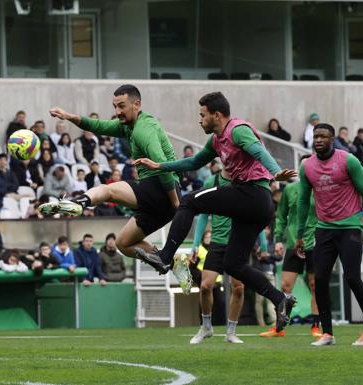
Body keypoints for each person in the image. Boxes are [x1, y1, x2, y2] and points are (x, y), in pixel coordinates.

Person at [133, 91, 297, 332]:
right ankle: (279, 300)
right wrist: (160, 165)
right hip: (256, 207)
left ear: (217, 115)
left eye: (202, 115)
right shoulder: (216, 140)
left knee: (188, 202)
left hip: (252, 195)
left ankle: (166, 256)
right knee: (233, 264)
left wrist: (275, 173)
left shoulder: (237, 130)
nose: (199, 120)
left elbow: (260, 153)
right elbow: (193, 163)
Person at [40, 85, 184, 286]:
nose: (117, 112)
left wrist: (176, 203)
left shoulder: (144, 129)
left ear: (137, 104)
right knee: (123, 244)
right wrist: (68, 116)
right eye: (115, 107)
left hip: (162, 187)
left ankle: (79, 202)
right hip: (162, 201)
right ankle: (169, 261)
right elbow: (97, 126)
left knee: (108, 190)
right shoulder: (128, 126)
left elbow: (161, 164)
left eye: (121, 106)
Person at [296, 123, 363, 346]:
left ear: (333, 139)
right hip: (323, 229)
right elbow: (303, 202)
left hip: (350, 227)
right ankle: (328, 333)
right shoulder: (307, 166)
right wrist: (300, 234)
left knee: (352, 277)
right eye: (316, 136)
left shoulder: (348, 160)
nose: (319, 139)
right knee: (320, 279)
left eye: (324, 136)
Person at [187, 168, 249, 345]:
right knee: (206, 286)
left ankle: (231, 331)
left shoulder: (245, 182)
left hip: (238, 243)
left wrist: (262, 242)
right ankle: (206, 327)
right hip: (217, 242)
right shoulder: (211, 183)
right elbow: (203, 216)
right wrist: (195, 244)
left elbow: (253, 213)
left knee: (238, 287)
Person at [261, 157, 320, 339]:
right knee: (286, 285)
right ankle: (279, 327)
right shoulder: (290, 190)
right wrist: (278, 239)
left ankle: (316, 326)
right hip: (293, 245)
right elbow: (281, 216)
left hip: (314, 244)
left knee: (315, 285)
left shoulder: (319, 190)